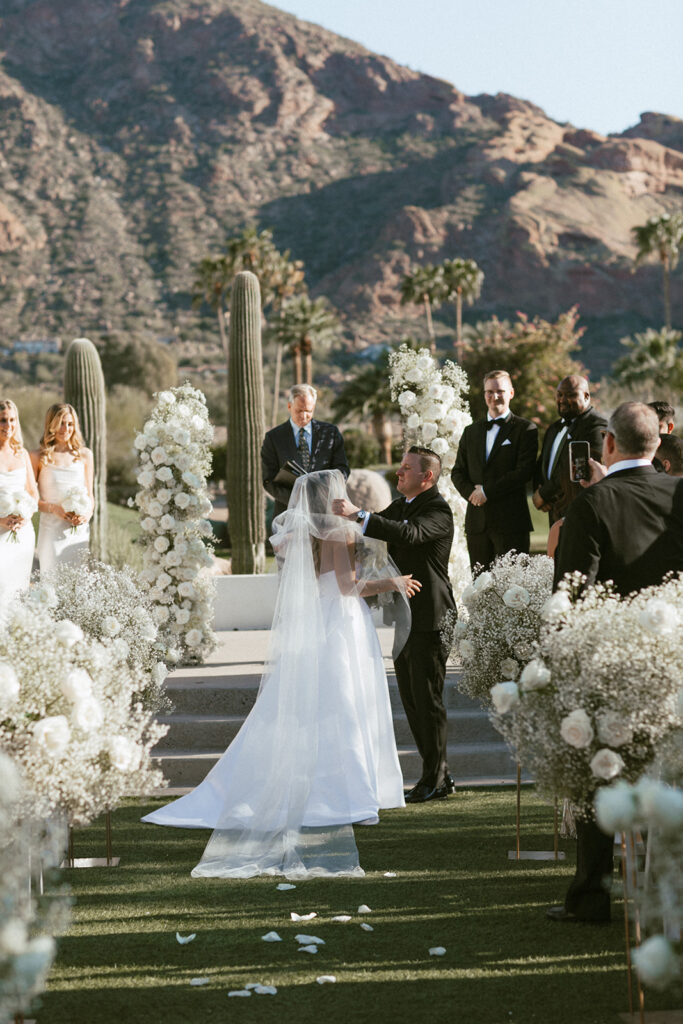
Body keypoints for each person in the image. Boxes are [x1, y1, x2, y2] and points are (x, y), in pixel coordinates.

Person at [143, 470, 417, 879]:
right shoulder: (338, 533)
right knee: (344, 703)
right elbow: (347, 587)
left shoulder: (298, 535)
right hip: (342, 622)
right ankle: (353, 795)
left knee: (321, 703)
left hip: (319, 620)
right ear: (332, 497)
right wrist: (391, 581)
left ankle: (336, 787)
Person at [548, 402, 683, 924]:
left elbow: (573, 594)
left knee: (599, 776)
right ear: (658, 443)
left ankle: (591, 897)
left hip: (609, 661)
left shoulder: (592, 503)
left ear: (608, 444)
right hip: (674, 659)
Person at [332, 446, 456, 804]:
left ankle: (435, 778)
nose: (398, 474)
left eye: (406, 469)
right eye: (399, 468)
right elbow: (372, 531)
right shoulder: (402, 505)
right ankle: (438, 772)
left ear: (426, 476)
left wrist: (360, 515)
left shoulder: (437, 510)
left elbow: (409, 534)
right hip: (405, 617)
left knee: (428, 698)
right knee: (412, 699)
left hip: (431, 617)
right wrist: (324, 535)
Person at [451, 370, 537, 572]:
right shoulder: (471, 431)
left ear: (511, 393)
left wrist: (487, 492)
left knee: (514, 587)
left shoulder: (526, 429)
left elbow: (524, 472)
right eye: (489, 391)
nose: (494, 396)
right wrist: (473, 495)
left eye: (500, 391)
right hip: (477, 524)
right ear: (484, 395)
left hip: (511, 523)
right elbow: (457, 472)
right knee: (480, 587)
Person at [262, 384, 350, 518]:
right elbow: (268, 480)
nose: (303, 416)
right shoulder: (273, 438)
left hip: (325, 513)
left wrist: (325, 493)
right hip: (288, 515)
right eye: (299, 410)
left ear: (314, 407)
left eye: (308, 411)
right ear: (289, 406)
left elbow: (342, 469)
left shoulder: (331, 433)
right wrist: (299, 500)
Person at [532, 375, 606, 525]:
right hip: (554, 511)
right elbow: (542, 464)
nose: (563, 400)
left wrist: (543, 494)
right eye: (560, 395)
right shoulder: (553, 428)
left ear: (586, 396)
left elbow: (579, 467)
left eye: (571, 395)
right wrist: (540, 492)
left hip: (580, 513)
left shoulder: (597, 426)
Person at [30, 404, 94, 574]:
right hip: (51, 532)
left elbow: (90, 496)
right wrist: (53, 508)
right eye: (60, 423)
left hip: (79, 533)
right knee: (52, 583)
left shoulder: (85, 455)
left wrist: (86, 516)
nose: (65, 429)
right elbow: (31, 500)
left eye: (70, 424)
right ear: (51, 425)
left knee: (78, 585)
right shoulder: (38, 456)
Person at [0, 400, 38, 611]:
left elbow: (32, 492)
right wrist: (2, 520)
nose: (8, 425)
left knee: (18, 588)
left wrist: (25, 516)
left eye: (12, 420)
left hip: (23, 533)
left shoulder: (22, 454)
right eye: (3, 420)